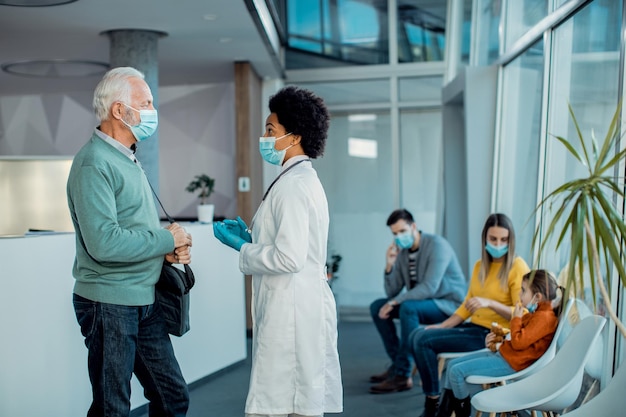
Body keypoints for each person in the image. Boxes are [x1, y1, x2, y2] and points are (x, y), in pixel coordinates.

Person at [66, 66, 193, 417]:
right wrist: (165, 239)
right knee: (113, 408)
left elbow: (133, 230)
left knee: (173, 398)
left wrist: (164, 253)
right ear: (120, 111)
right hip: (109, 303)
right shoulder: (94, 163)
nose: (153, 111)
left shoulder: (127, 158)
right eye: (146, 102)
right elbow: (104, 243)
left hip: (144, 299)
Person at [212, 86, 342, 417]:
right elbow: (289, 242)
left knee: (282, 403)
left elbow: (289, 257)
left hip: (293, 311)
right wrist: (252, 238)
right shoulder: (294, 179)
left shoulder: (295, 186)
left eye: (271, 130)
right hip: (294, 304)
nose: (264, 138)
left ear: (295, 136)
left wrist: (242, 247)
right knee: (290, 402)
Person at [410, 213, 529, 417]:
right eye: (493, 239)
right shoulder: (479, 267)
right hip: (474, 327)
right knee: (417, 334)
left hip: (493, 335)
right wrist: (444, 325)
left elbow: (523, 314)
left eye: (504, 239)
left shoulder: (517, 267)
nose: (498, 244)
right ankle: (438, 404)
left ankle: (433, 405)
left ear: (511, 241)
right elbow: (468, 305)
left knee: (422, 341)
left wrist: (490, 303)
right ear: (485, 239)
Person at [434, 269, 563, 417]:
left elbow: (519, 342)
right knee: (452, 365)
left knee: (457, 372)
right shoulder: (538, 314)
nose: (520, 294)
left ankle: (460, 413)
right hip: (506, 356)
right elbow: (521, 337)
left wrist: (516, 318)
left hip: (512, 364)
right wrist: (500, 338)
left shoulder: (544, 318)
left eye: (523, 290)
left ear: (537, 297)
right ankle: (444, 412)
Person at [369, 209, 467, 394]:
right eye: (395, 234)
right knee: (377, 307)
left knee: (407, 307)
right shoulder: (403, 252)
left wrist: (395, 302)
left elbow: (430, 287)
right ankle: (398, 364)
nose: (399, 237)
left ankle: (402, 374)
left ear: (413, 226)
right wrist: (389, 265)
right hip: (420, 303)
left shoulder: (437, 245)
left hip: (447, 305)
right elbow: (392, 292)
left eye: (402, 231)